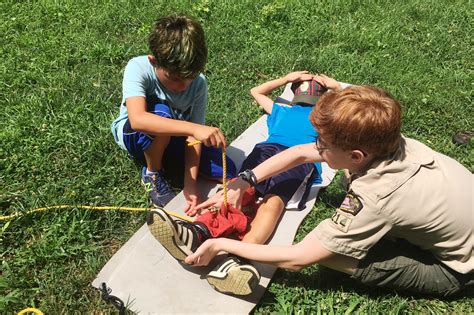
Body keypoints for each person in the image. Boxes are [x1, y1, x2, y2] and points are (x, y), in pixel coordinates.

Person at [186, 85, 473, 297]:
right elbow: (299, 152)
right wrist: (245, 180)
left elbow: (297, 259)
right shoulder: (391, 142)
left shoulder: (375, 196)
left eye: (323, 145)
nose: (317, 148)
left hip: (459, 270)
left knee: (332, 256)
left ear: (357, 155)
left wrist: (221, 245)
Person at [147, 71, 345, 295]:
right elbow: (256, 92)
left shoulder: (325, 119)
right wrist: (286, 79)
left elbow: (348, 112)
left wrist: (334, 87)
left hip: (302, 159)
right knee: (237, 191)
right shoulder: (281, 109)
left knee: (272, 203)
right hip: (266, 151)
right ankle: (198, 232)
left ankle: (237, 260)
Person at [110, 15, 236, 211]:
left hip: (173, 135)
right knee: (161, 114)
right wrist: (195, 128)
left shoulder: (199, 84)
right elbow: (138, 120)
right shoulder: (139, 67)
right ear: (154, 61)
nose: (183, 86)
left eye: (190, 78)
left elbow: (193, 140)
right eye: (175, 78)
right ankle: (153, 172)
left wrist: (190, 184)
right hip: (135, 136)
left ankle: (165, 159)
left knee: (227, 168)